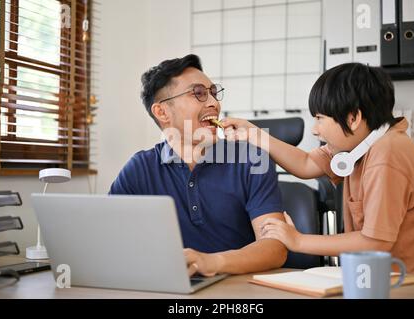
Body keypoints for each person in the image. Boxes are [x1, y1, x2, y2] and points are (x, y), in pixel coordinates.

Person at [222, 63, 414, 276]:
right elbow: (306, 163)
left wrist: (297, 240)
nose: (315, 130)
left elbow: (375, 242)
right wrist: (254, 134)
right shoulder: (357, 147)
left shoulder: (388, 154)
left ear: (353, 118)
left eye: (320, 119)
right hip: (381, 279)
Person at [109, 54, 287, 277]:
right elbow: (109, 240)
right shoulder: (139, 169)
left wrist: (212, 262)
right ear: (162, 112)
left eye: (213, 92)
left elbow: (275, 249)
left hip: (240, 289)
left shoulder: (252, 159)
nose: (214, 103)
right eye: (199, 94)